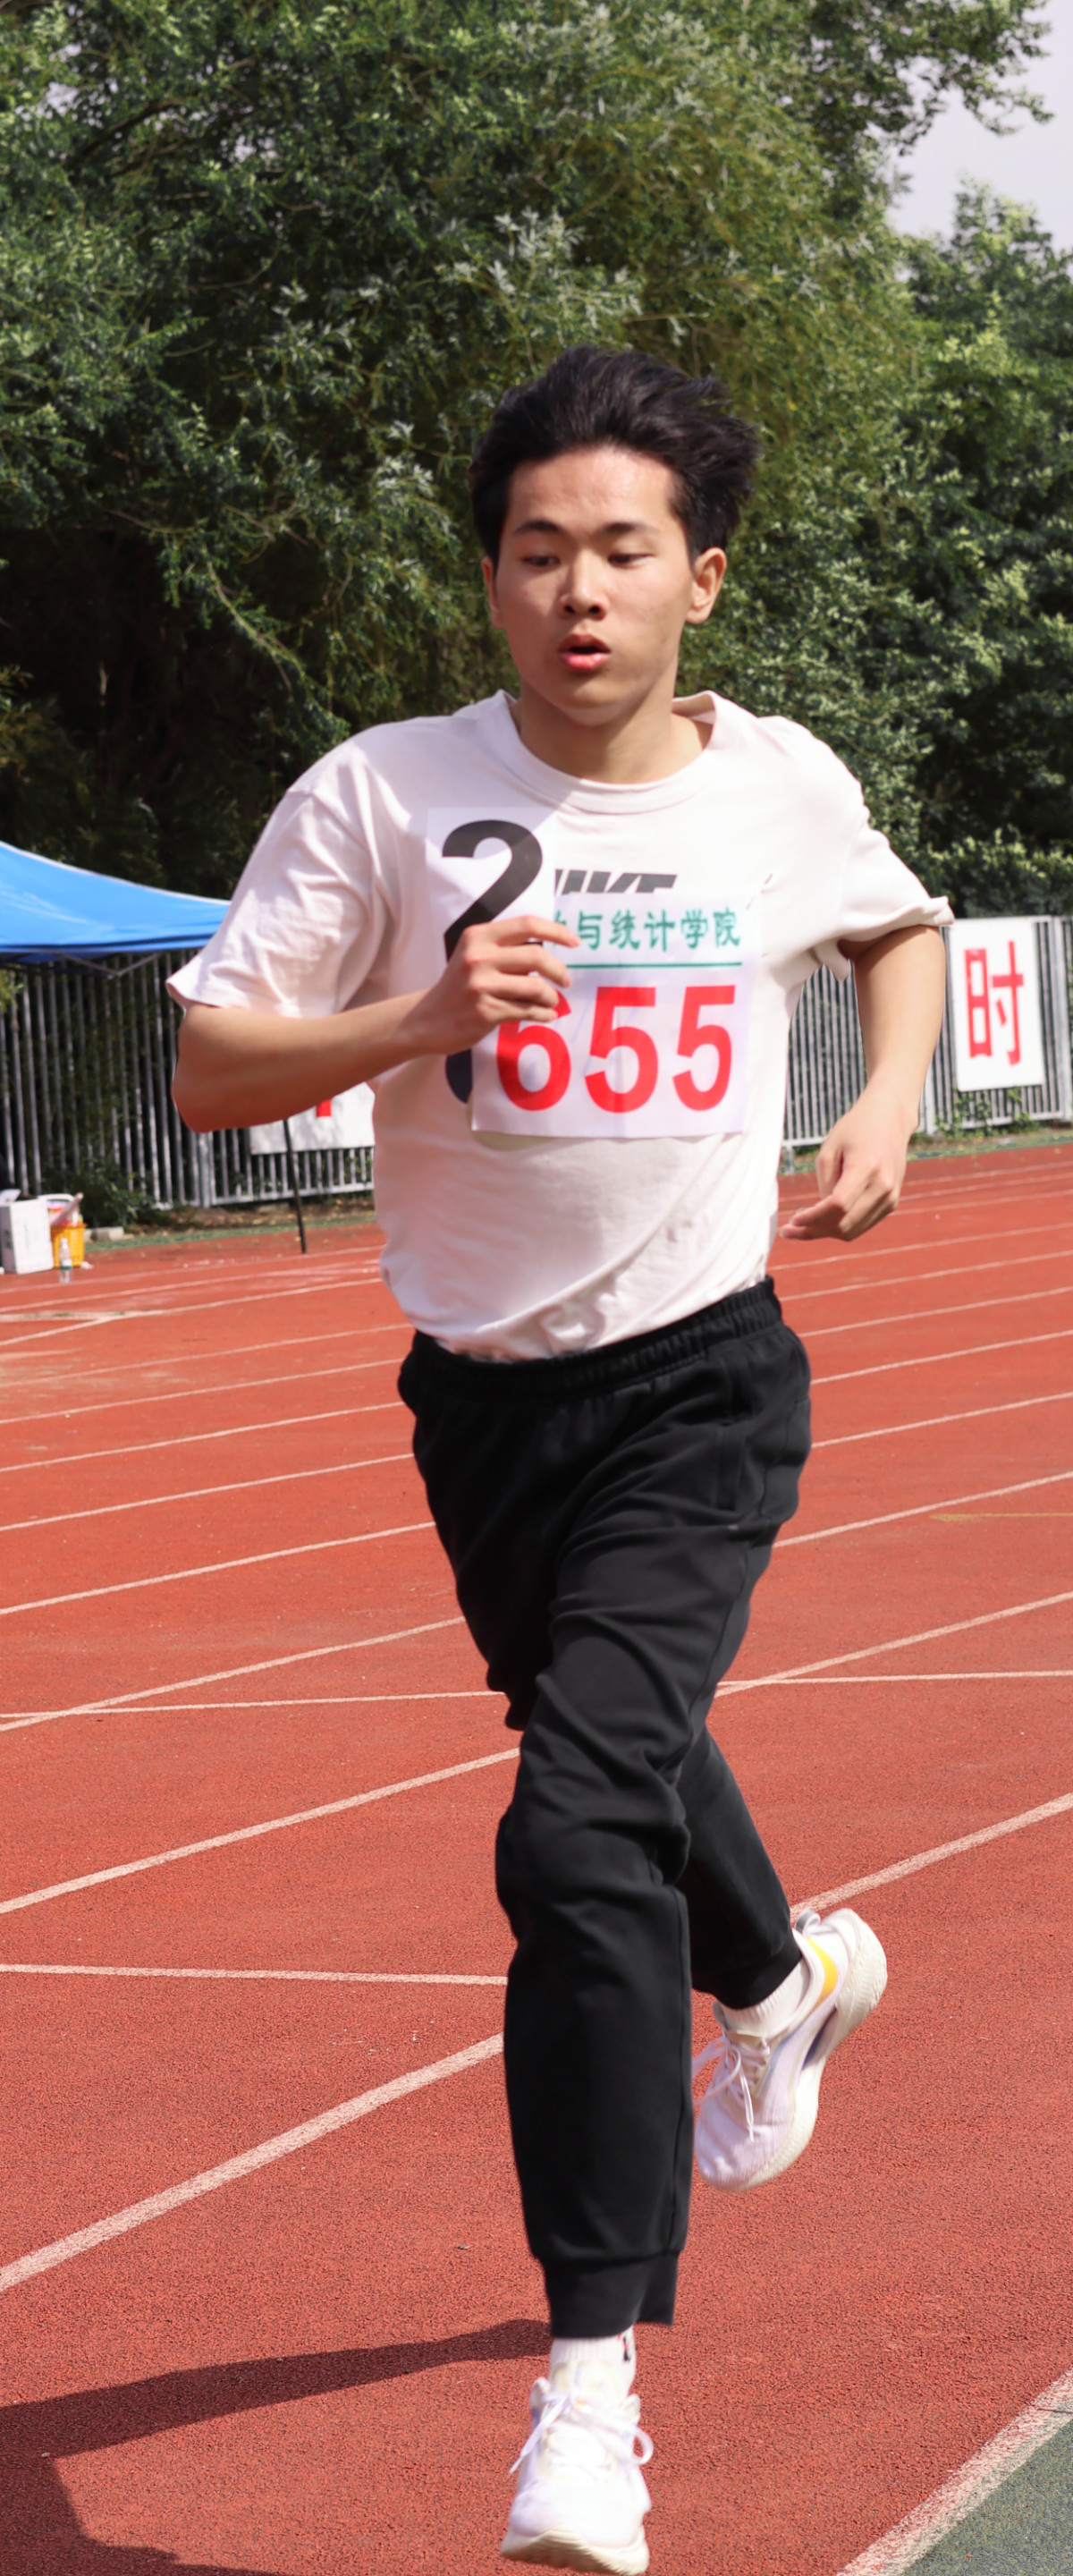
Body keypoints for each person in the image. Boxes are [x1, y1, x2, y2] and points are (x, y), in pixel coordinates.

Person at [170, 346, 950, 2576]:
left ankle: (589, 2402)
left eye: (622, 550)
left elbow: (896, 927)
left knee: (577, 1819)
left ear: (703, 577)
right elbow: (213, 1066)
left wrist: (886, 1100)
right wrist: (418, 1018)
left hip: (703, 1384)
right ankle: (785, 1982)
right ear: (493, 578)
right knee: (621, 1750)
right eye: (537, 551)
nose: (577, 591)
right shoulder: (383, 796)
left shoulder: (777, 783)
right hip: (487, 1410)